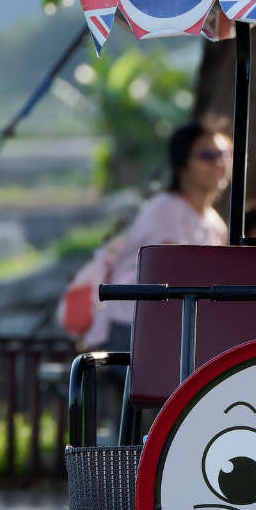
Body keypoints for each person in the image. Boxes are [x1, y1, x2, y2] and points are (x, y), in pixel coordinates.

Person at [57, 120, 231, 353]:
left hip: (175, 327)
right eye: (207, 155)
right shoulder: (166, 208)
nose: (219, 162)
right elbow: (179, 271)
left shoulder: (214, 221)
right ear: (182, 165)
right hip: (134, 324)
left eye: (224, 153)